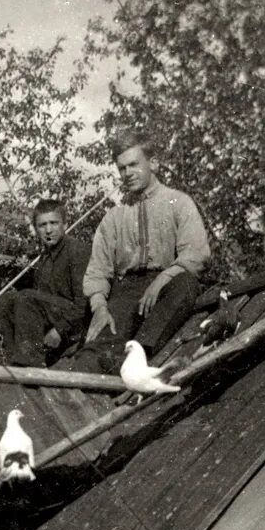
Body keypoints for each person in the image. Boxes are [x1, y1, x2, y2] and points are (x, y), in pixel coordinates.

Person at [66, 129, 210, 375]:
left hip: (168, 284)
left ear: (153, 163)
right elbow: (98, 270)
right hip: (127, 290)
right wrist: (100, 307)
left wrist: (161, 280)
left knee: (186, 283)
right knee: (94, 350)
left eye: (134, 164)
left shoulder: (179, 202)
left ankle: (140, 357)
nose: (127, 173)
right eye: (122, 168)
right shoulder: (115, 216)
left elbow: (196, 255)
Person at [0, 199, 91, 367]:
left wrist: (59, 330)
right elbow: (42, 303)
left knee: (25, 297)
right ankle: (13, 359)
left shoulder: (77, 251)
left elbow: (83, 303)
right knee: (8, 299)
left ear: (65, 224)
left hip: (75, 325)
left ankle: (30, 363)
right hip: (54, 319)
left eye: (54, 223)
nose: (48, 230)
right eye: (42, 225)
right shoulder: (44, 258)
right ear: (36, 229)